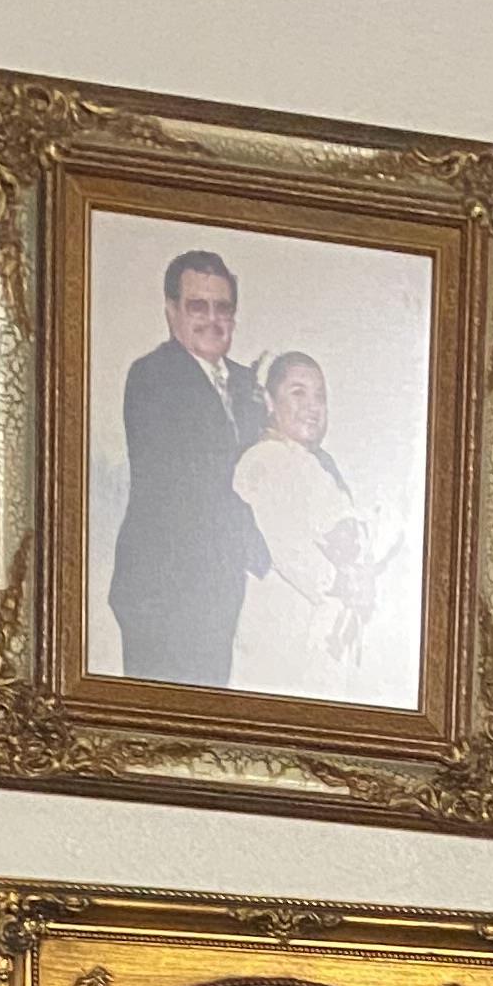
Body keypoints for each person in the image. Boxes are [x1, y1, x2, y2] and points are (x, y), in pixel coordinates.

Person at [108, 251, 271, 687]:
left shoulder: (247, 383)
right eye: (198, 306)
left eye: (224, 308)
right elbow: (184, 481)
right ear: (171, 312)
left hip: (221, 586)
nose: (213, 319)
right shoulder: (153, 377)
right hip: (163, 591)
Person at [230, 352, 387, 700]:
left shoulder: (319, 465)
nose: (312, 406)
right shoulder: (263, 461)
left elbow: (357, 536)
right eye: (298, 393)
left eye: (320, 397)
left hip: (324, 640)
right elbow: (288, 548)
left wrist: (366, 574)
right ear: (270, 401)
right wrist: (343, 581)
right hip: (280, 637)